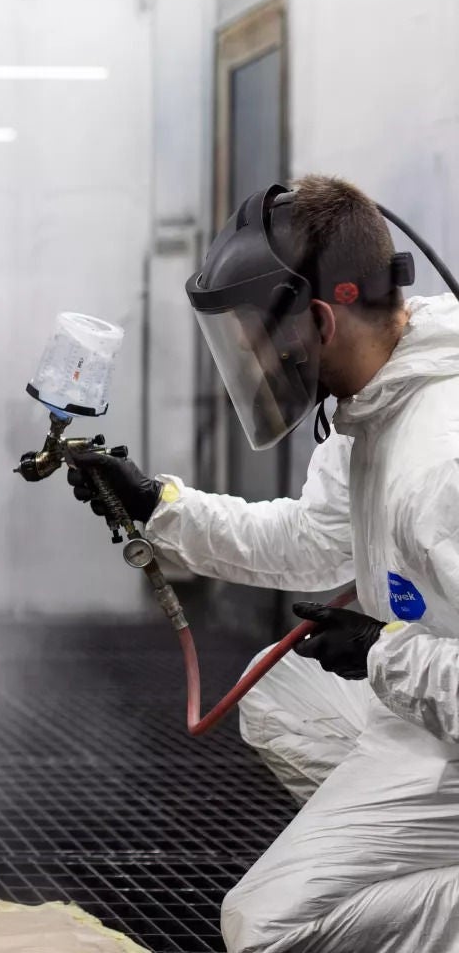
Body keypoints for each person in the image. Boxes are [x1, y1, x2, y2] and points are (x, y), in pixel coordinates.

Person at [70, 175, 459, 953]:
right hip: (431, 698)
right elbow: (313, 540)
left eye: (253, 337)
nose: (248, 358)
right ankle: (405, 856)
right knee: (279, 691)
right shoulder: (377, 400)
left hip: (443, 701)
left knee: (271, 928)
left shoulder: (440, 461)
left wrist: (385, 653)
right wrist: (160, 508)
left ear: (318, 319)